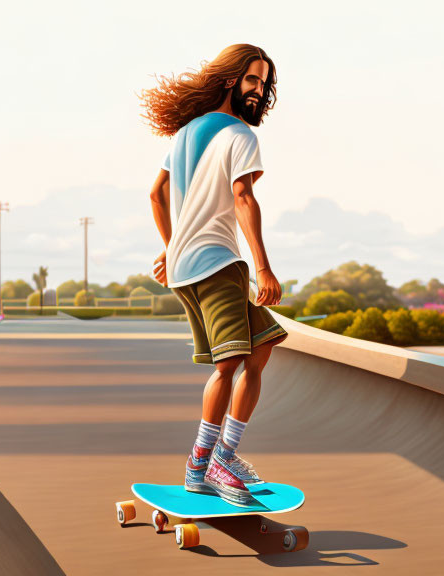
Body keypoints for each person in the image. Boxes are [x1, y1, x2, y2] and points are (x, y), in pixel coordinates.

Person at [141, 44, 288, 507]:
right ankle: (205, 463)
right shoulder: (239, 135)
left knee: (261, 346)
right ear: (230, 80)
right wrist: (263, 266)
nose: (258, 91)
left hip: (192, 264)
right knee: (229, 363)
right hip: (216, 263)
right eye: (251, 80)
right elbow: (242, 196)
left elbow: (156, 194)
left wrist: (171, 245)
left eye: (264, 83)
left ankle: (220, 454)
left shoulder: (185, 134)